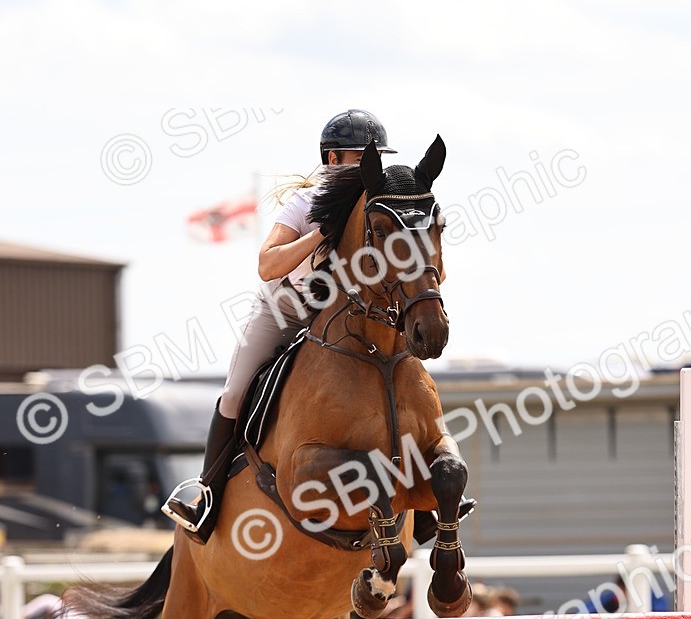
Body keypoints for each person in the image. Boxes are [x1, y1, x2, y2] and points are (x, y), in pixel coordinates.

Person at [162, 108, 473, 544]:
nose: (371, 166)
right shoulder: (305, 203)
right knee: (235, 391)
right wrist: (318, 235)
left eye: (376, 157)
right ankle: (205, 494)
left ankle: (426, 500)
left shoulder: (380, 207)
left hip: (347, 316)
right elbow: (267, 264)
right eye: (360, 158)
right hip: (287, 309)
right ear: (332, 160)